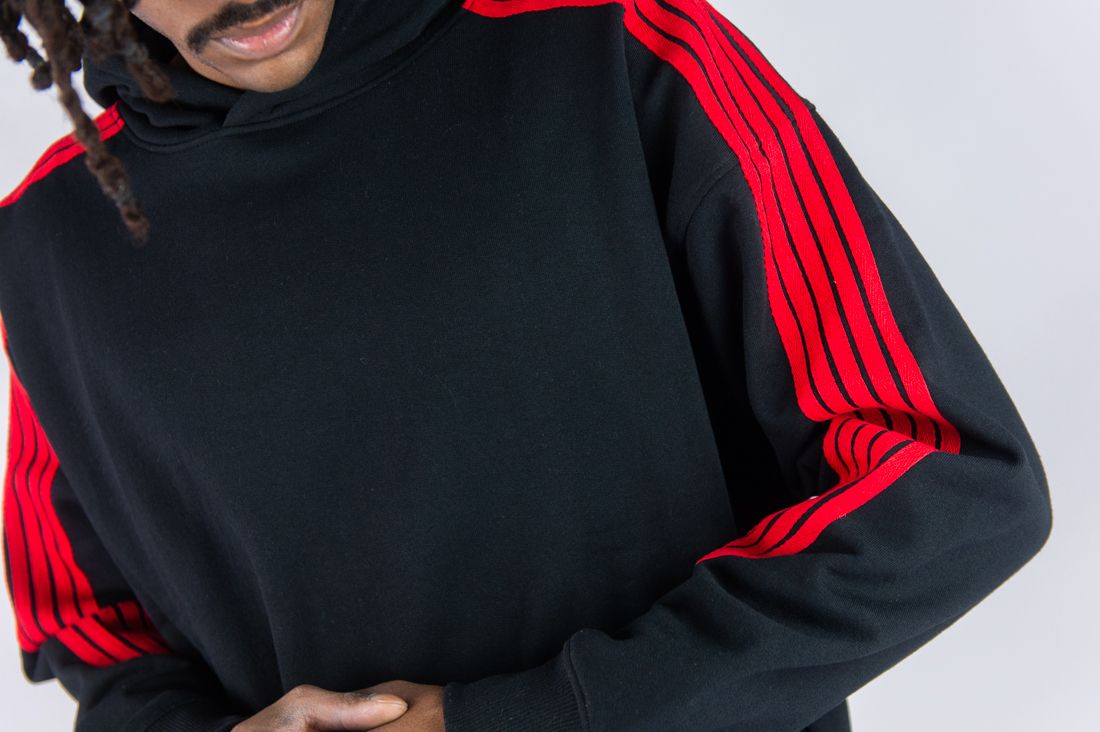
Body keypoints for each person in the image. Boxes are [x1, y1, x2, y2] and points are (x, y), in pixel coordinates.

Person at [0, 1, 1053, 730]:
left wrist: (532, 718)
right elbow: (88, 629)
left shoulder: (615, 46)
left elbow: (943, 477)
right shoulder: (47, 243)